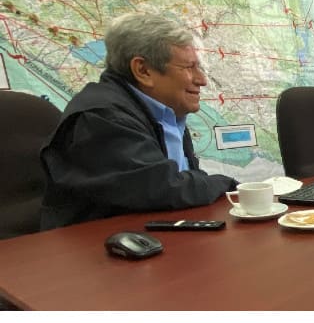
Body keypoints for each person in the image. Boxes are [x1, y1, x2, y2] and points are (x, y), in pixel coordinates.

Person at [40, 12, 238, 229]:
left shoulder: (165, 111)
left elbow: (184, 182)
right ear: (143, 70)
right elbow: (163, 187)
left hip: (158, 233)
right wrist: (231, 186)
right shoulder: (100, 118)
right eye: (189, 68)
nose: (202, 80)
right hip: (98, 244)